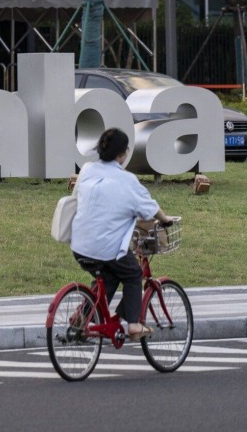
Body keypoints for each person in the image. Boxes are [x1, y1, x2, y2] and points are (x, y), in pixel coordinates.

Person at [69, 128, 175, 340]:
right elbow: (150, 208)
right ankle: (133, 324)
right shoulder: (127, 180)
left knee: (109, 277)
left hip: (79, 245)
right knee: (133, 274)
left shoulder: (87, 170)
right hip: (105, 248)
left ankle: (83, 315)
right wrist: (165, 220)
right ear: (123, 154)